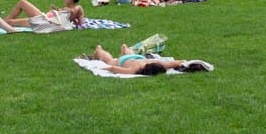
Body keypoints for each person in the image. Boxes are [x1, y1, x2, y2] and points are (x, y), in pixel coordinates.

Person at [83, 44, 212, 75]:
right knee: (107, 57)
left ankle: (100, 51)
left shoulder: (155, 62)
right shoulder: (136, 68)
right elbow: (112, 68)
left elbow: (179, 61)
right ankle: (98, 51)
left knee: (121, 51)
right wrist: (100, 68)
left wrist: (188, 64)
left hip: (134, 57)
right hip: (129, 59)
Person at [6, 0, 87, 31]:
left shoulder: (77, 8)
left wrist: (65, 11)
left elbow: (81, 24)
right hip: (46, 20)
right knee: (10, 22)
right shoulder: (70, 10)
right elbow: (79, 23)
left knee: (22, 2)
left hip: (45, 21)